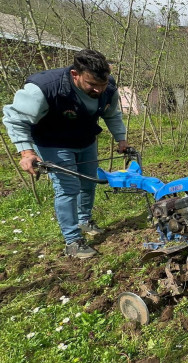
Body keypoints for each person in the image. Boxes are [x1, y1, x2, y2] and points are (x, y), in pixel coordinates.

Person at [2, 49, 129, 259]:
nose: (98, 90)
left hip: (85, 140)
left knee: (90, 183)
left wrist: (121, 139)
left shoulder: (109, 87)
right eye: (92, 85)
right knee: (68, 188)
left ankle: (84, 220)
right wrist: (26, 151)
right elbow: (15, 118)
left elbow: (111, 113)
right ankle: (72, 241)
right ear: (75, 75)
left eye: (102, 84)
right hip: (54, 143)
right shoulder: (44, 88)